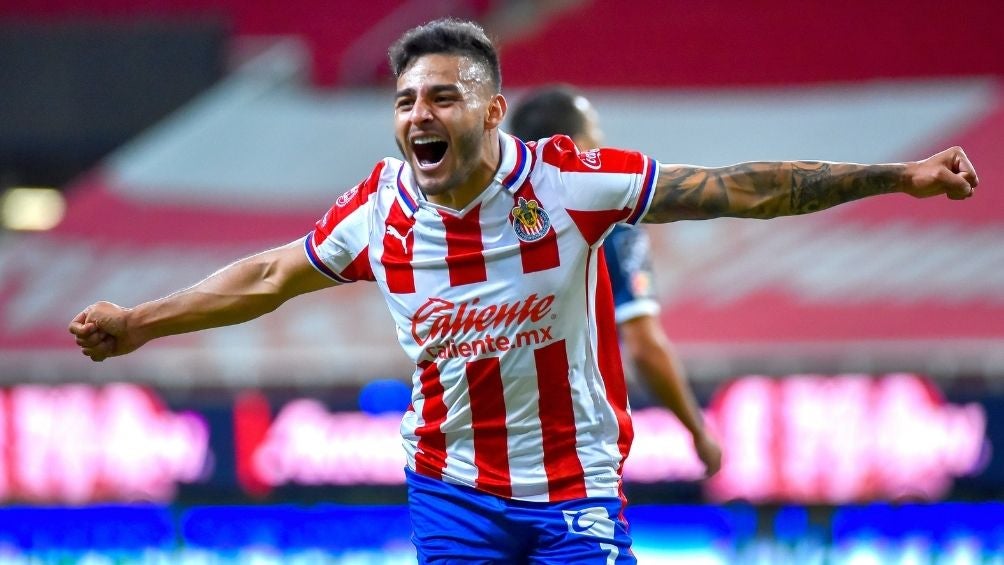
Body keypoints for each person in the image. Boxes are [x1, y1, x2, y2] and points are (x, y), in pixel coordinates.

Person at [69, 18, 978, 564]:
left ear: (492, 110)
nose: (418, 116)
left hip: (575, 483)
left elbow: (741, 188)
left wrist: (898, 177)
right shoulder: (379, 209)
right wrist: (139, 322)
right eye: (404, 102)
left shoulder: (570, 182)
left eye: (441, 98)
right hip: (451, 484)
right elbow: (270, 275)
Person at [508, 84, 722, 479]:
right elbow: (643, 345)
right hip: (573, 445)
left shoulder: (482, 220)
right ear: (573, 148)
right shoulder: (610, 221)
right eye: (595, 138)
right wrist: (697, 429)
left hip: (482, 446)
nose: (602, 148)